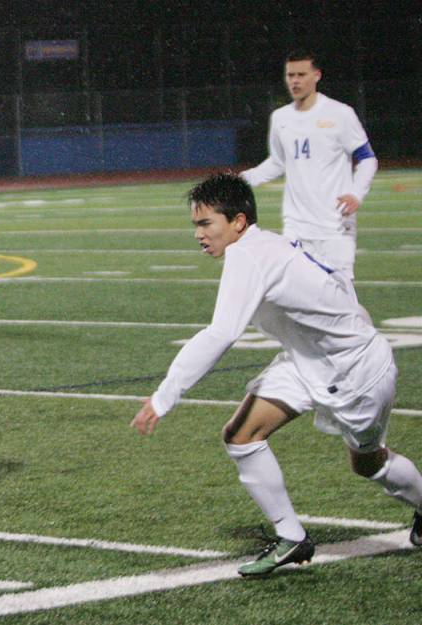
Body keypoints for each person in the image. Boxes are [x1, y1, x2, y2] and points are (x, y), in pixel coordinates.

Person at [131, 172, 422, 577]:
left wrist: (164, 397)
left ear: (238, 222)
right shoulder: (268, 242)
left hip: (355, 373)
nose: (198, 234)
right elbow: (338, 282)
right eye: (195, 225)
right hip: (309, 361)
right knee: (240, 435)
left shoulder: (247, 254)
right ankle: (292, 539)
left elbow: (221, 333)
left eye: (205, 223)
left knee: (369, 463)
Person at [241, 49, 378, 279]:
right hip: (296, 227)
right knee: (299, 301)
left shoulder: (340, 114)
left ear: (317, 75)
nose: (294, 81)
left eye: (301, 75)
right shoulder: (280, 118)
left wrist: (356, 193)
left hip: (335, 226)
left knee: (340, 302)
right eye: (290, 75)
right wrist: (243, 179)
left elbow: (367, 159)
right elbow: (277, 162)